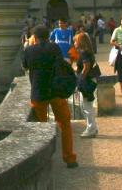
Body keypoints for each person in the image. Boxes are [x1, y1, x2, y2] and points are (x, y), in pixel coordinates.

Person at [22, 25, 78, 169]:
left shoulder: (29, 50)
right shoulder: (54, 48)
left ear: (34, 37)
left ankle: (44, 161)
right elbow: (60, 64)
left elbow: (25, 66)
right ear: (48, 36)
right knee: (65, 124)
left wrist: (29, 46)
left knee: (41, 128)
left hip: (38, 92)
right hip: (55, 91)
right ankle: (69, 158)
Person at [74, 31, 99, 138]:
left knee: (86, 106)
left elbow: (86, 67)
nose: (74, 43)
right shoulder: (87, 51)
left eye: (75, 41)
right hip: (90, 79)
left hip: (87, 80)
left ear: (80, 42)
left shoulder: (84, 52)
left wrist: (79, 79)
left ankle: (91, 129)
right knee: (85, 105)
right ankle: (92, 127)